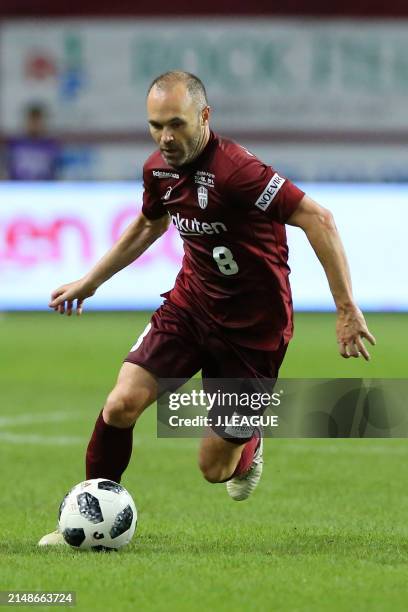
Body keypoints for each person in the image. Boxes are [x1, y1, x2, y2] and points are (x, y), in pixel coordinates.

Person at [39, 71, 375, 546]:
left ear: (204, 116)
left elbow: (319, 219)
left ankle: (250, 443)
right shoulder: (158, 169)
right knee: (120, 405)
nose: (166, 137)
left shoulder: (238, 171)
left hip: (253, 332)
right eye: (156, 126)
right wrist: (90, 282)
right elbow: (146, 227)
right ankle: (84, 519)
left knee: (214, 470)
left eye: (176, 123)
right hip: (190, 307)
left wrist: (345, 308)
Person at [4, 103, 60, 181]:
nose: (34, 125)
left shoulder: (51, 145)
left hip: (44, 189)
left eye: (37, 121)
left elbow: (56, 171)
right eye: (32, 121)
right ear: (26, 121)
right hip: (18, 188)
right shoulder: (15, 143)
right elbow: (6, 168)